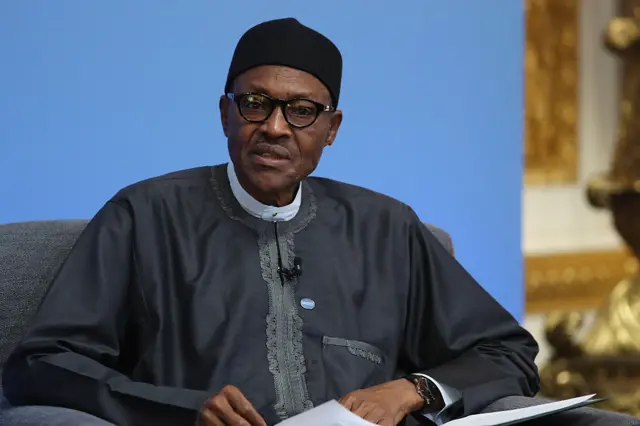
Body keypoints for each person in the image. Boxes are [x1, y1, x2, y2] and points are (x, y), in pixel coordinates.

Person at [2, 17, 539, 426]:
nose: (276, 128)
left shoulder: (386, 227)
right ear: (226, 114)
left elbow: (506, 353)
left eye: (302, 110)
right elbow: (43, 364)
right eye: (256, 104)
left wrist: (413, 389)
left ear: (331, 129)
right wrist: (183, 409)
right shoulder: (144, 215)